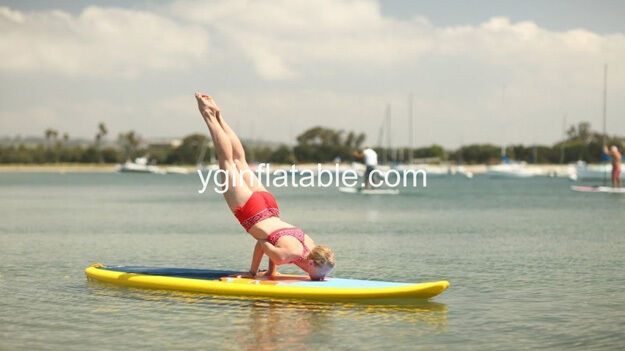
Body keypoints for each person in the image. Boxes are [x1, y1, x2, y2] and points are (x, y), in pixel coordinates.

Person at [195, 92, 335, 280]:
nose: (323, 278)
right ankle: (208, 114)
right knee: (228, 161)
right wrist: (252, 273)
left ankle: (219, 115)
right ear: (311, 263)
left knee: (239, 160)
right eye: (322, 274)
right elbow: (262, 243)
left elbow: (272, 244)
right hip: (253, 213)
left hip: (269, 208)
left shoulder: (311, 246)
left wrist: (272, 272)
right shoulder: (289, 255)